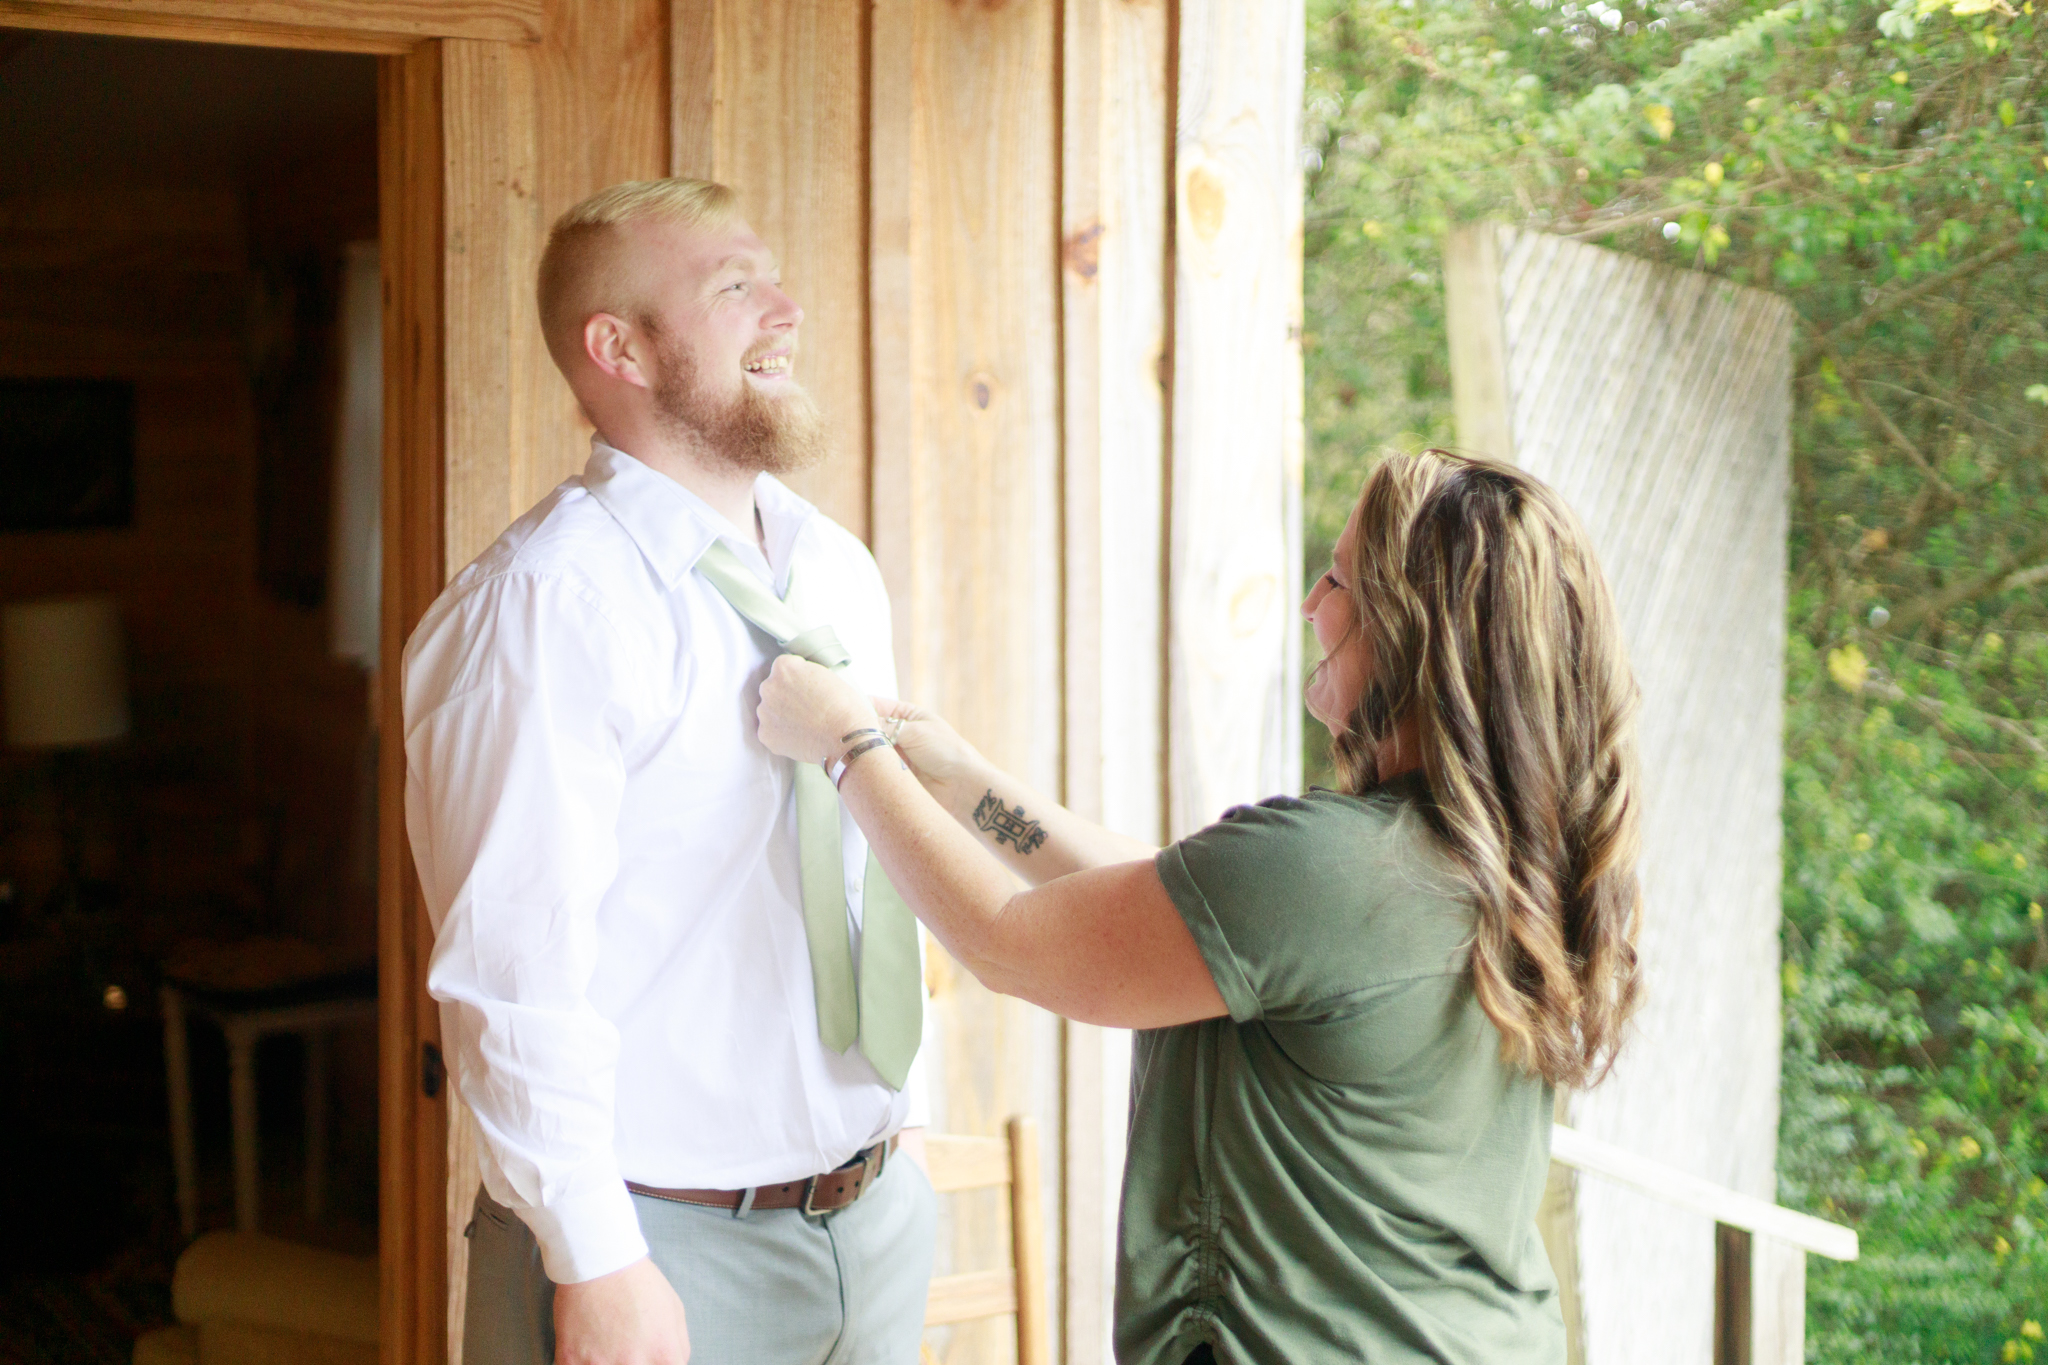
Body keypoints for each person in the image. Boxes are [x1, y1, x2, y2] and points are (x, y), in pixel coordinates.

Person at [757, 449, 1644, 1364]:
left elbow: (1008, 943)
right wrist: (963, 782)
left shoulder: (1331, 868)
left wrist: (845, 746)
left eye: (1341, 579)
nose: (1312, 602)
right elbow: (1180, 911)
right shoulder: (1497, 861)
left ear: (1416, 636)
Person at [404, 178, 935, 1365]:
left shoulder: (833, 570)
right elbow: (510, 973)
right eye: (736, 286)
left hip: (872, 1221)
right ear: (621, 349)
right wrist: (598, 1263)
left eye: (772, 277)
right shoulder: (538, 609)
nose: (787, 309)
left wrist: (899, 1159)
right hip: (653, 1253)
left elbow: (855, 876)